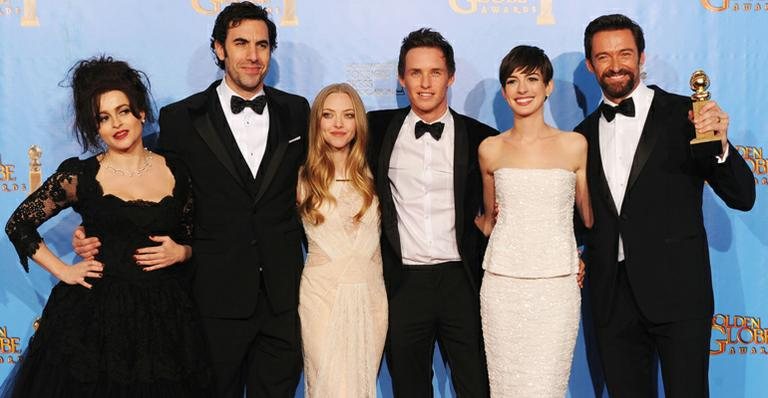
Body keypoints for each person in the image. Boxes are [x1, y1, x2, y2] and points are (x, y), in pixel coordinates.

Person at [73, 3, 309, 397]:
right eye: (240, 43)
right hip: (212, 297)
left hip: (283, 299)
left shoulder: (297, 111)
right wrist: (96, 223)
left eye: (262, 45)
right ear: (219, 49)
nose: (252, 55)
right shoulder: (181, 119)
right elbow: (144, 178)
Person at [2, 56, 212, 397]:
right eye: (103, 117)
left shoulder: (177, 169)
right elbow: (19, 224)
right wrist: (64, 271)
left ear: (141, 112)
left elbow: (194, 236)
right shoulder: (81, 176)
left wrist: (183, 251)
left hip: (165, 321)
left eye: (123, 111)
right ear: (95, 128)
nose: (116, 123)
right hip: (93, 320)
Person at [575, 14, 755, 397]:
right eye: (603, 57)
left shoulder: (686, 115)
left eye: (625, 53)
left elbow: (743, 196)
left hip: (679, 293)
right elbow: (580, 220)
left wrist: (720, 144)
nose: (616, 65)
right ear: (590, 65)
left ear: (642, 57)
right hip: (611, 300)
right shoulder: (580, 138)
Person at [367, 28, 497, 397]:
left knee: (476, 384)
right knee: (409, 387)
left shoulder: (482, 138)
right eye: (415, 73)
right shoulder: (374, 131)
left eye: (435, 72)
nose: (425, 84)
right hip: (403, 283)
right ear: (401, 78)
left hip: (463, 281)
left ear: (451, 76)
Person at [473, 45, 592, 397]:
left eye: (532, 79)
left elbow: (587, 216)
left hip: (556, 284)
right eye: (512, 81)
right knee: (505, 385)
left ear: (548, 87)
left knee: (547, 385)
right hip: (502, 283)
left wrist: (581, 255)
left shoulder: (575, 145)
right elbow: (489, 218)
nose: (522, 89)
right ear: (504, 91)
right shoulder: (489, 149)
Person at [297, 83, 387, 397]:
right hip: (321, 296)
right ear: (317, 122)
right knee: (327, 385)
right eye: (329, 115)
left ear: (358, 122)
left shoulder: (376, 174)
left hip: (371, 295)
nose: (338, 124)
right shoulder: (301, 177)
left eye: (348, 116)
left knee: (362, 385)